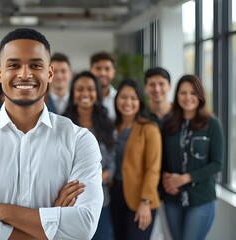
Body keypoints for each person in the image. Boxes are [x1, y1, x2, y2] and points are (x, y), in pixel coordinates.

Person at [0, 28, 103, 240]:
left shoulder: (80, 141)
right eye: (14, 65)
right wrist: (52, 223)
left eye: (36, 65)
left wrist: (1, 211)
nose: (25, 74)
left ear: (50, 73)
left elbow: (83, 227)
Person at [161, 75, 224, 240]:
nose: (188, 97)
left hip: (201, 200)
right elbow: (161, 159)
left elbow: (217, 164)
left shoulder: (212, 123)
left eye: (193, 93)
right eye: (183, 93)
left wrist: (184, 179)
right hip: (172, 199)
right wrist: (165, 178)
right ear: (177, 95)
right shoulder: (168, 124)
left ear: (200, 96)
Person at [63, 71, 115, 240]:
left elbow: (112, 165)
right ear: (73, 94)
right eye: (80, 89)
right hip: (68, 202)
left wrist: (93, 182)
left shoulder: (107, 126)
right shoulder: (62, 125)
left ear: (97, 94)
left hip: (100, 202)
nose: (85, 93)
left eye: (90, 89)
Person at [109, 79, 162, 240]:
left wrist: (145, 202)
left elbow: (153, 168)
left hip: (141, 198)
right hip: (115, 194)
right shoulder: (112, 127)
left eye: (133, 98)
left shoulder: (149, 129)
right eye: (124, 97)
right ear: (116, 99)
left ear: (140, 102)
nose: (128, 102)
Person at [90, 51, 117, 120]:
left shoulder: (118, 99)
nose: (102, 73)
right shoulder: (81, 98)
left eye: (107, 69)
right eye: (98, 68)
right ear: (90, 71)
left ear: (113, 72)